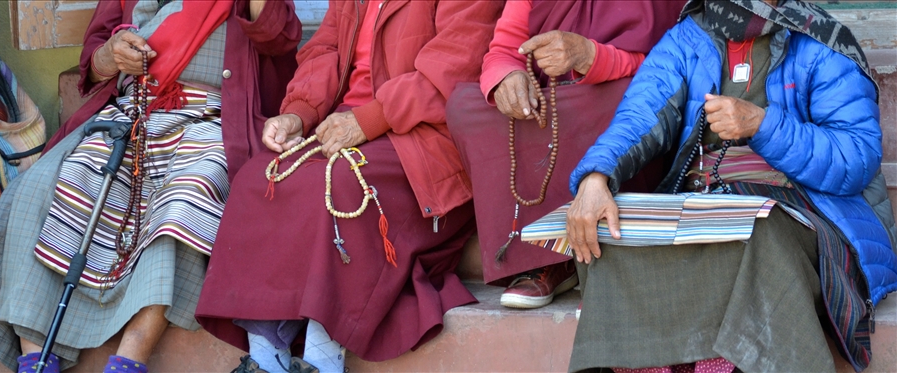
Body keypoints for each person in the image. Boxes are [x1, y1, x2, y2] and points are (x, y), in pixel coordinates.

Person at [0, 1, 300, 372]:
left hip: (213, 116)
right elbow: (95, 59)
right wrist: (111, 55)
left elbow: (279, 38)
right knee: (34, 190)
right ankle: (35, 356)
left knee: (188, 199)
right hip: (132, 113)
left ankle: (130, 358)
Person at [564, 0, 897, 371]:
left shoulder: (819, 39)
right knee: (609, 235)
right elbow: (640, 114)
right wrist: (597, 175)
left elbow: (855, 158)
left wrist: (763, 126)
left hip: (800, 207)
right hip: (701, 201)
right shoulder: (688, 38)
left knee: (757, 233)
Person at [193, 1, 503, 372]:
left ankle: (324, 360)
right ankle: (265, 358)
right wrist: (299, 113)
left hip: (425, 138)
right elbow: (326, 49)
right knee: (260, 178)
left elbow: (453, 67)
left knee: (345, 182)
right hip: (348, 127)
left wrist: (369, 119)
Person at [448, 0, 685, 309]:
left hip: (605, 105)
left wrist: (593, 57)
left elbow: (668, 70)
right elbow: (504, 51)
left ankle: (580, 257)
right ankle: (540, 255)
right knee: (464, 107)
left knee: (627, 101)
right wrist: (507, 76)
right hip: (545, 108)